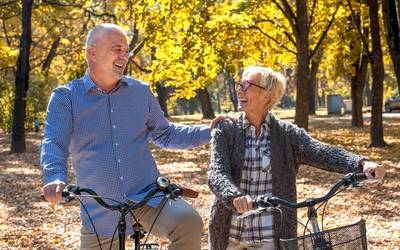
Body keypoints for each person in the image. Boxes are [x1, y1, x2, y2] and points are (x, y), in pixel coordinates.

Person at [41, 23, 223, 250]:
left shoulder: (140, 92)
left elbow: (165, 134)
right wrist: (53, 178)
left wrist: (209, 132)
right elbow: (54, 143)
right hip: (99, 210)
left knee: (189, 222)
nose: (124, 56)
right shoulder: (66, 97)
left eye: (126, 51)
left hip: (149, 198)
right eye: (117, 49)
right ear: (92, 52)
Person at [207, 66, 385, 250]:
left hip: (270, 235)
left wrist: (361, 164)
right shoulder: (226, 129)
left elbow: (321, 151)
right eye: (240, 84)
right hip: (230, 232)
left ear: (266, 96)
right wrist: (233, 196)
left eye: (246, 85)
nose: (239, 89)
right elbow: (216, 172)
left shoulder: (287, 134)